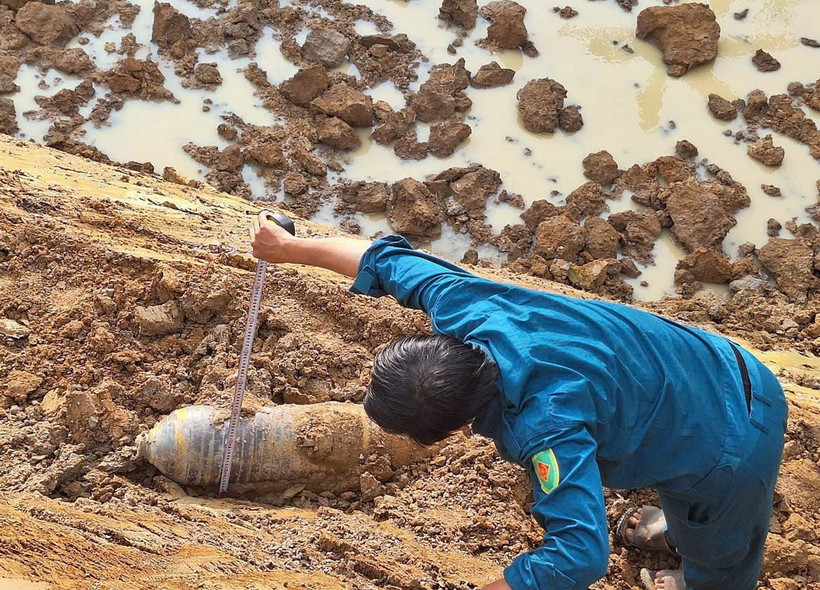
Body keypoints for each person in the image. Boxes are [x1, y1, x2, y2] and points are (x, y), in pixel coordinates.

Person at [249, 212, 788, 590]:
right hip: (703, 359)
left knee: (722, 548)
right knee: (672, 468)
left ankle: (700, 569)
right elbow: (381, 258)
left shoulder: (546, 427)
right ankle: (678, 526)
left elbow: (578, 556)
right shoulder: (466, 307)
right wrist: (287, 248)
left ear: (459, 427)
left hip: (734, 441)